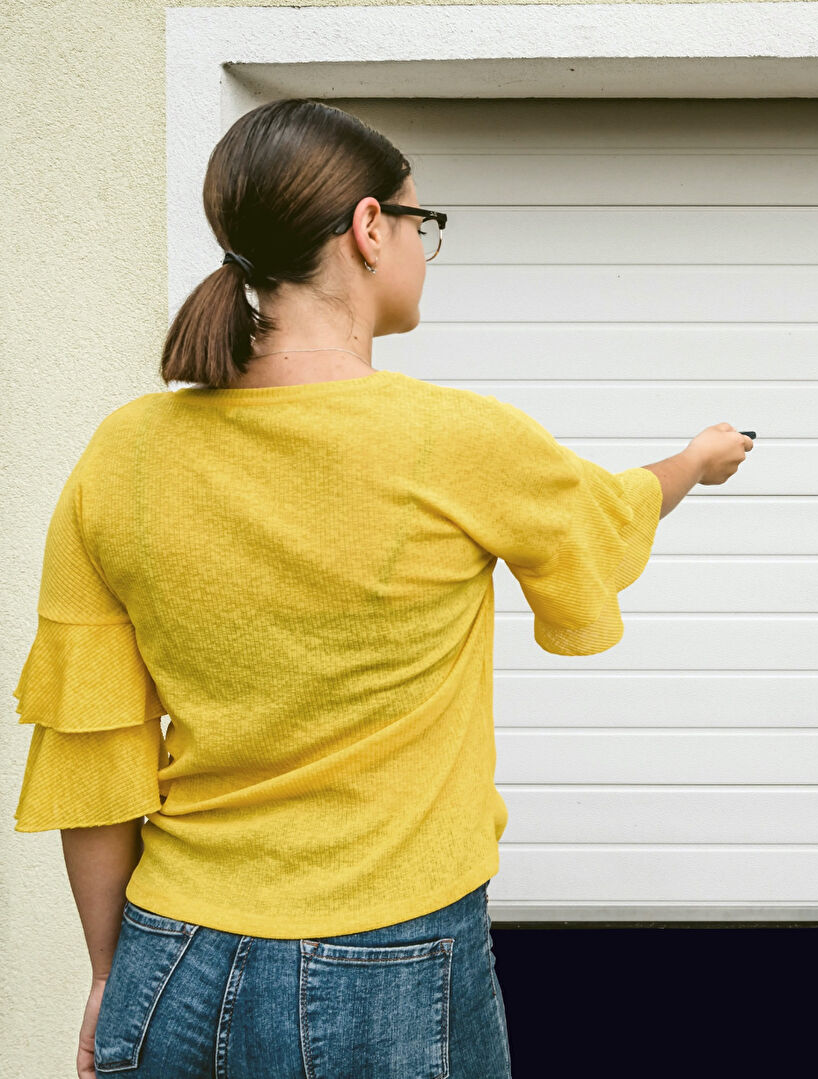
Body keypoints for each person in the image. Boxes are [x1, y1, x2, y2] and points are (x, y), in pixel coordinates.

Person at [10, 97, 754, 1079]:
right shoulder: (456, 440)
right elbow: (606, 515)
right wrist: (695, 462)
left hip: (169, 955)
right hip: (385, 962)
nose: (419, 245)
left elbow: (93, 748)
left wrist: (112, 978)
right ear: (369, 229)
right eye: (419, 223)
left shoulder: (125, 452)